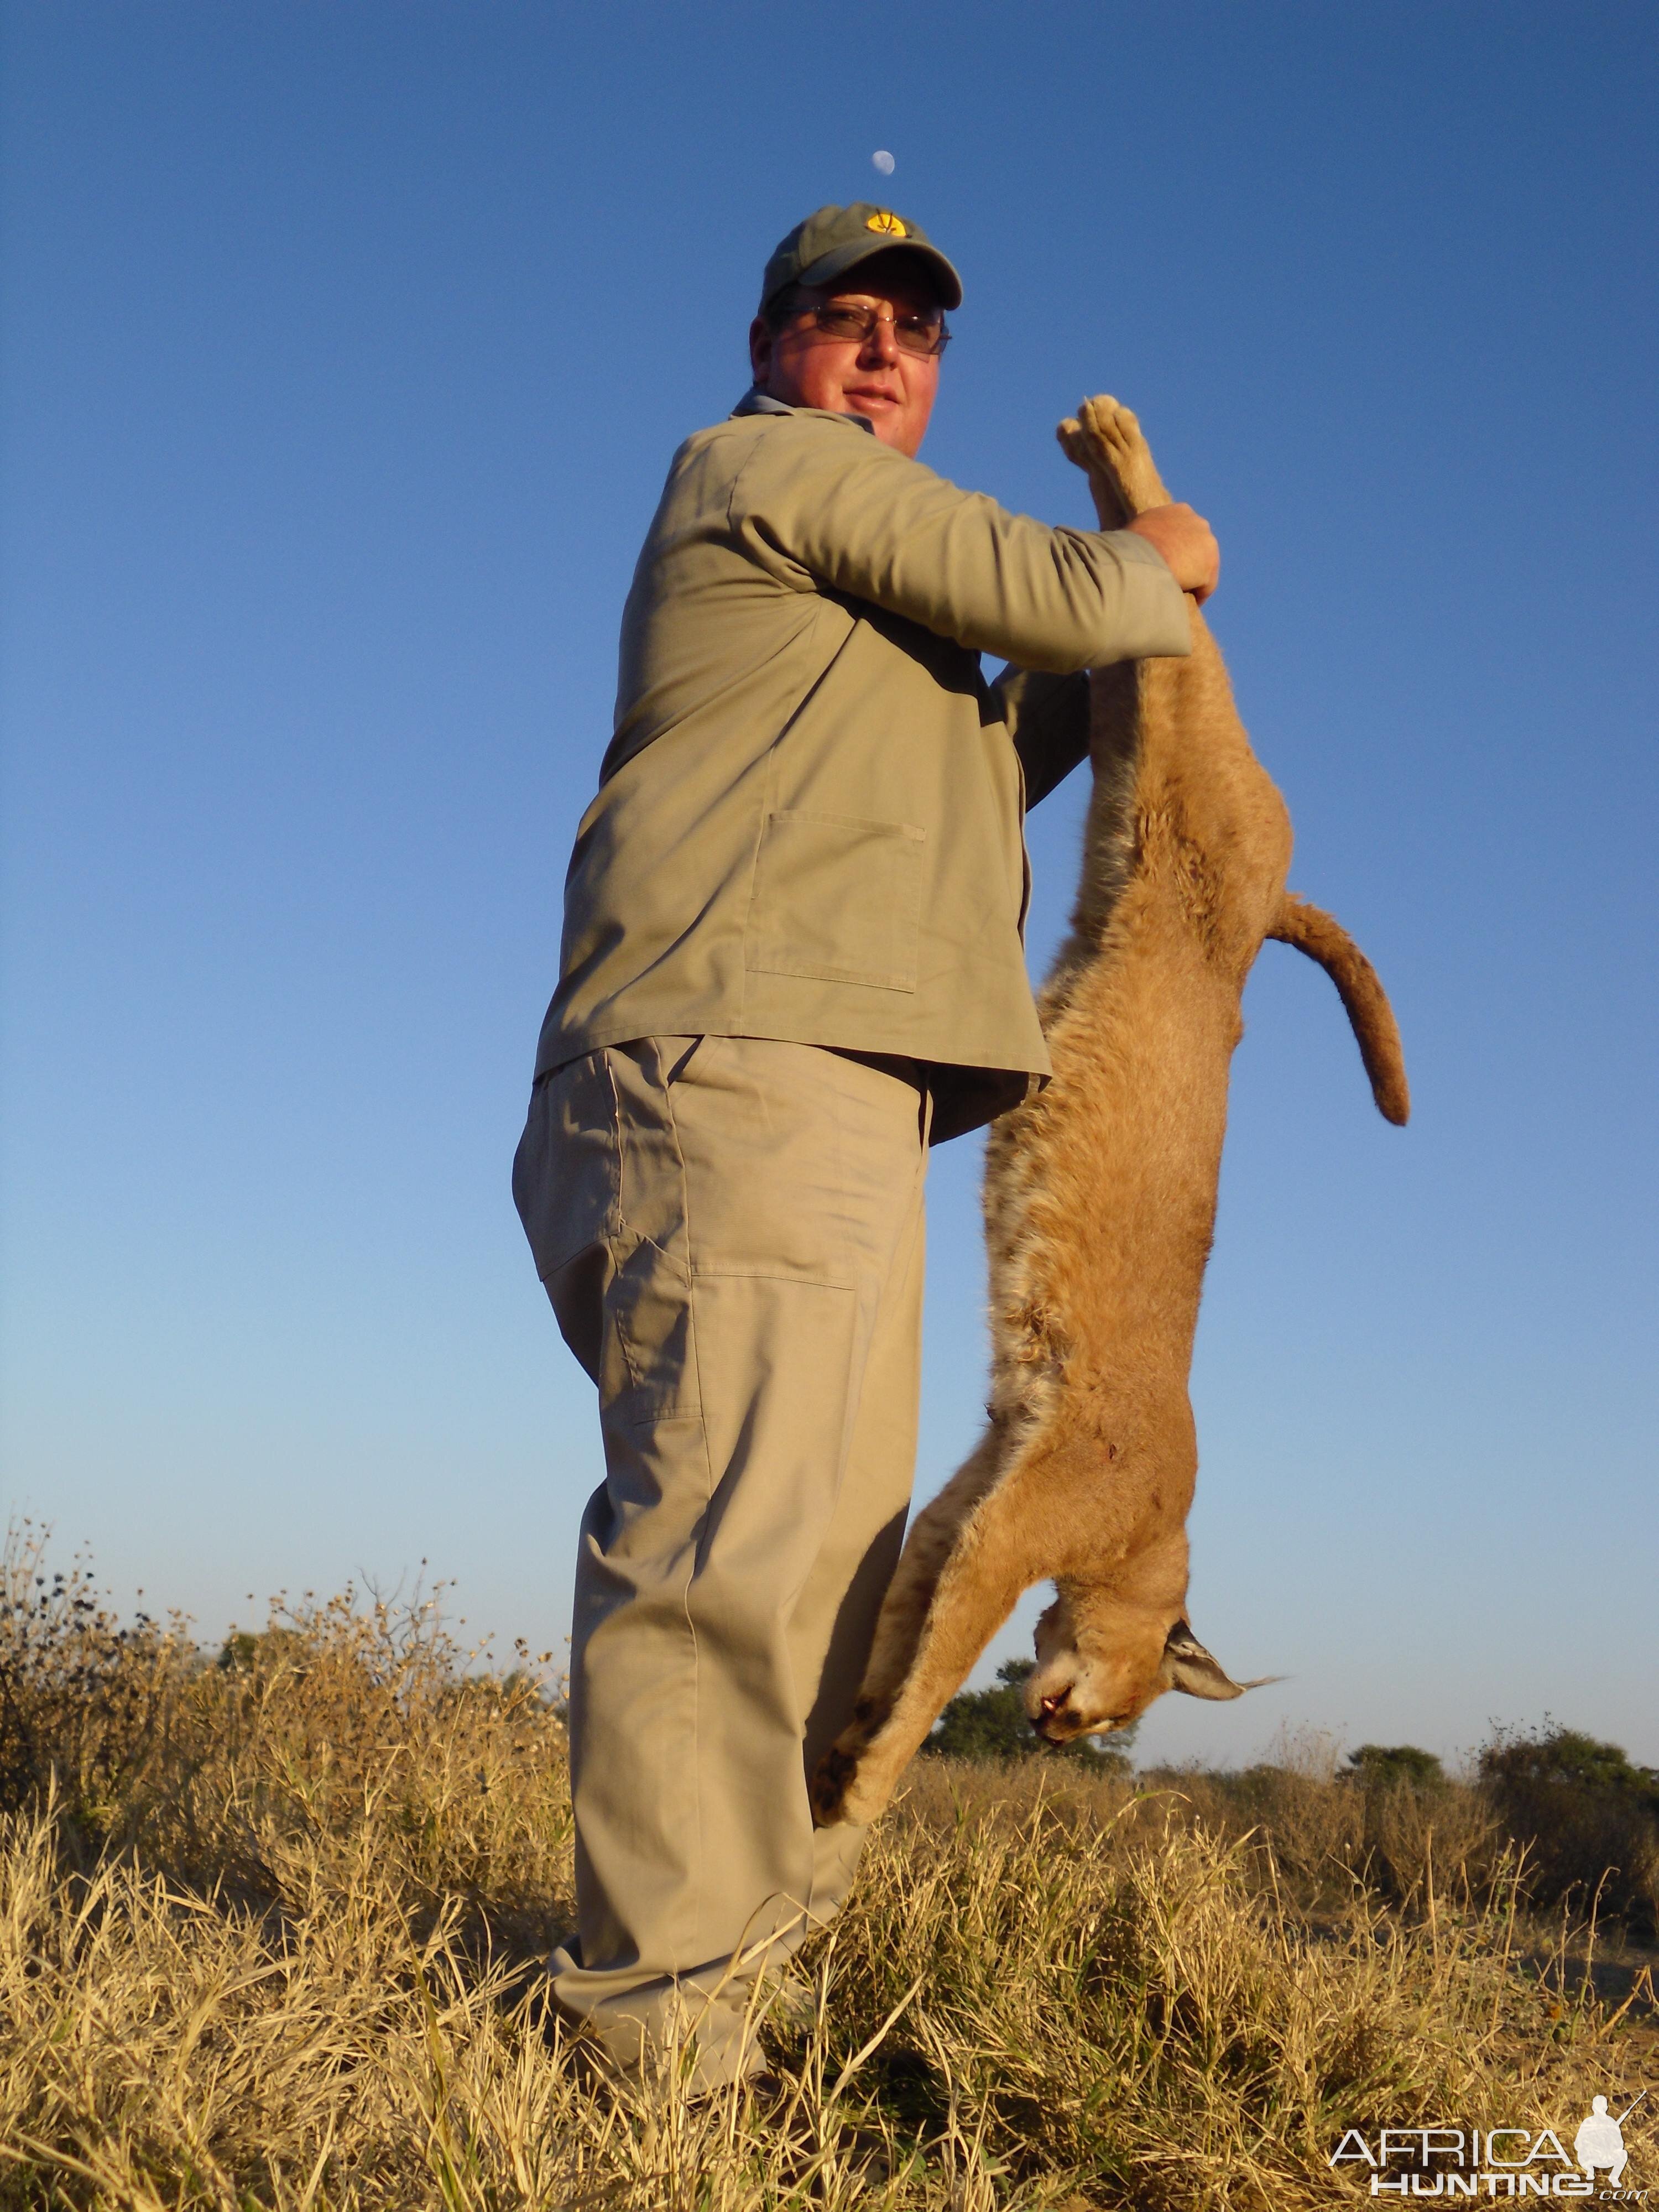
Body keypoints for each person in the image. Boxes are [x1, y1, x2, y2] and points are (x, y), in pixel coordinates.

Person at [513, 202, 1218, 2090]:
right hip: (736, 1064)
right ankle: (660, 2054)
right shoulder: (761, 463)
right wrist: (1163, 552)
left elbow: (1000, 751)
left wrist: (1107, 654)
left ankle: (735, 1988)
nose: (891, 352)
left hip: (835, 1089)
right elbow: (1079, 592)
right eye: (851, 318)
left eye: (920, 332)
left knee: (834, 1568)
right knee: (729, 1554)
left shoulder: (870, 612)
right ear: (773, 344)